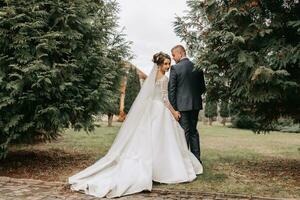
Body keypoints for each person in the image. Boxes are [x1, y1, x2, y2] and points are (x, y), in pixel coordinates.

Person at [69, 52, 203, 198]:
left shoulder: (152, 79)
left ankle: (153, 169)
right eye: (165, 63)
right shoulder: (164, 79)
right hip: (159, 110)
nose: (168, 66)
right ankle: (160, 170)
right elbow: (165, 99)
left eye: (169, 63)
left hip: (150, 110)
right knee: (161, 141)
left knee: (153, 140)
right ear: (159, 64)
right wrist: (174, 112)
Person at [169, 45, 206, 164]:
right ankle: (197, 161)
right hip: (195, 105)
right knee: (193, 131)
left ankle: (185, 163)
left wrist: (174, 109)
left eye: (174, 55)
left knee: (184, 132)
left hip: (181, 106)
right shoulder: (197, 67)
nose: (173, 58)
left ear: (180, 53)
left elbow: (172, 91)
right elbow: (202, 88)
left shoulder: (175, 68)